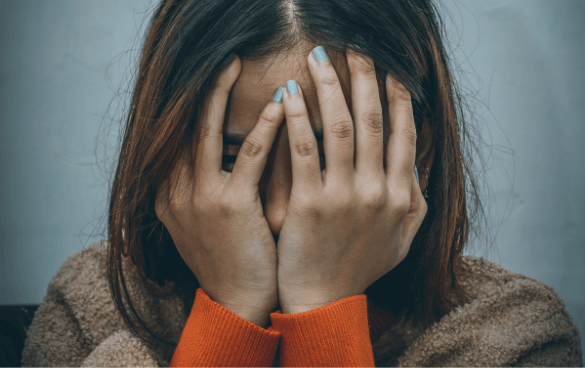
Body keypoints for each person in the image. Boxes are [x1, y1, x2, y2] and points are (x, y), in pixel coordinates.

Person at [22, 0, 583, 366]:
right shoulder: (93, 307)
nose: (278, 214)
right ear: (165, 147)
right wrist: (232, 314)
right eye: (234, 157)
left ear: (420, 147)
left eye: (330, 160)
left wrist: (322, 310)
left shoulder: (515, 338)